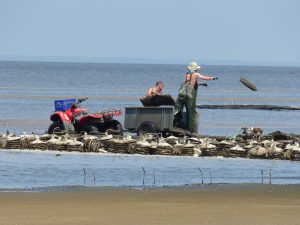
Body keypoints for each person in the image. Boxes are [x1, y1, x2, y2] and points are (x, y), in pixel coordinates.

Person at [174, 62, 218, 132]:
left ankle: (174, 122)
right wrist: (213, 78)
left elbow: (187, 82)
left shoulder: (187, 73)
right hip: (190, 94)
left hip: (182, 93)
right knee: (191, 111)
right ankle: (191, 129)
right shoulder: (196, 74)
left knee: (178, 108)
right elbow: (205, 78)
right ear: (195, 69)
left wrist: (199, 84)